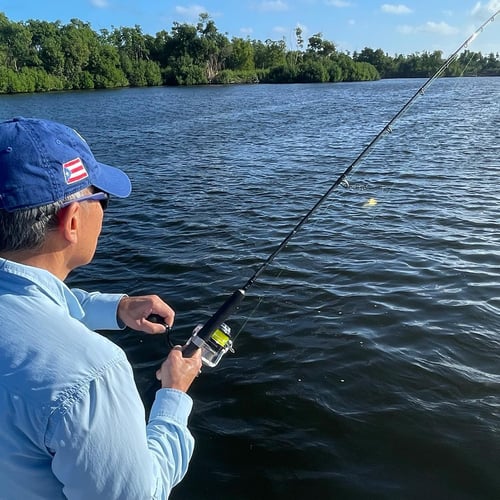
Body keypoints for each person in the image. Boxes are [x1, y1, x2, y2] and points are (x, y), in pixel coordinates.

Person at [0, 117, 202, 499]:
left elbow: (26, 304)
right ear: (72, 220)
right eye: (101, 199)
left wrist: (118, 308)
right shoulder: (90, 374)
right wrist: (174, 395)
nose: (104, 213)